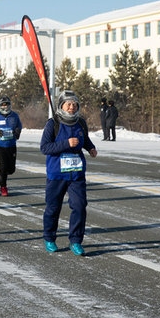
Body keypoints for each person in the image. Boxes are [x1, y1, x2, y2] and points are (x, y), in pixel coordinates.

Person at [40, 91, 98, 256]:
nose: (72, 107)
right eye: (68, 104)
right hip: (57, 175)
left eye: (75, 104)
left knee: (80, 207)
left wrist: (91, 148)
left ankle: (76, 241)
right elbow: (44, 147)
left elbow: (84, 138)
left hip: (76, 174)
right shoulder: (53, 124)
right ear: (61, 106)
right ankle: (49, 237)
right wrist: (66, 143)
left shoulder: (80, 123)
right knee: (53, 208)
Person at [0, 96, 23, 197]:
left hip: (11, 145)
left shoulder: (14, 116)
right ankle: (3, 187)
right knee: (3, 167)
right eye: (2, 105)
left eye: (6, 104)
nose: (5, 107)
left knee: (11, 169)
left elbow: (19, 126)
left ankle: (6, 172)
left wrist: (17, 131)